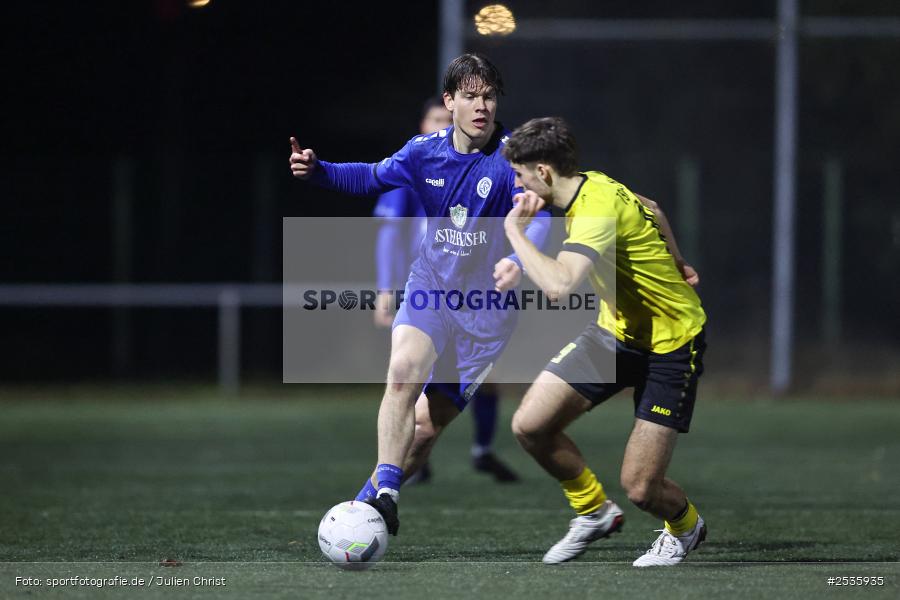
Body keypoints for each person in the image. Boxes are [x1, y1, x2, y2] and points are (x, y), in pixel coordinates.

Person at [290, 54, 549, 534]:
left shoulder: (515, 156)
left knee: (427, 428)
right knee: (403, 373)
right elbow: (371, 175)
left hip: (485, 313)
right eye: (470, 96)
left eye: (489, 96)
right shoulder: (423, 151)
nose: (481, 106)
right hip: (430, 288)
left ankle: (368, 504)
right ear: (449, 101)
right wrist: (319, 169)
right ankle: (385, 492)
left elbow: (545, 216)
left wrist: (518, 258)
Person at [501, 117, 707, 566]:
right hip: (615, 335)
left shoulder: (592, 209)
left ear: (544, 173)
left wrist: (514, 232)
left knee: (641, 488)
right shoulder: (591, 183)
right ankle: (592, 510)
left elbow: (558, 286)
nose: (516, 182)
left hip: (671, 345)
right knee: (530, 426)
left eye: (519, 173)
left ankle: (686, 526)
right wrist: (679, 260)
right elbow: (652, 207)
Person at [372, 96, 518, 483]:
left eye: (444, 120)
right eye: (434, 120)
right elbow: (389, 234)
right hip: (425, 287)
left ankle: (479, 450)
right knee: (412, 372)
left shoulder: (488, 164)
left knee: (481, 379)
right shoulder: (415, 166)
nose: (441, 127)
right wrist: (386, 287)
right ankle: (405, 461)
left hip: (476, 293)